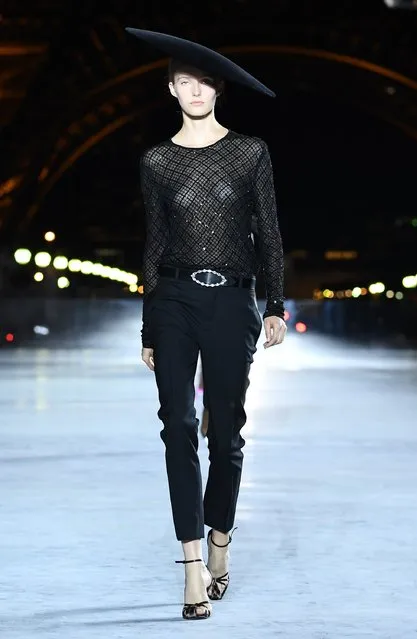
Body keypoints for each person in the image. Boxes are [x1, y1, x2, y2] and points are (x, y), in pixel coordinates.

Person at [126, 28, 287, 621]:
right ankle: (191, 563)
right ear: (171, 89)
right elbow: (155, 242)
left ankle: (220, 539)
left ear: (218, 89)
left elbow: (268, 232)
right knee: (176, 427)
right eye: (184, 81)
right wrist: (148, 325)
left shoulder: (250, 152)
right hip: (172, 299)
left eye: (205, 82)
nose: (195, 90)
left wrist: (275, 304)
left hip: (233, 304)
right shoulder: (158, 161)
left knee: (226, 436)